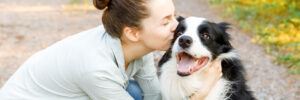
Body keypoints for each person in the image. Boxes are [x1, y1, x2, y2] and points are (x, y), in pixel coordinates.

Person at [0, 0, 222, 100]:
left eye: (174, 16)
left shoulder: (137, 45)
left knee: (137, 92)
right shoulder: (96, 68)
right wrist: (202, 92)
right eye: (165, 22)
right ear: (132, 32)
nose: (177, 26)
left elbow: (154, 95)